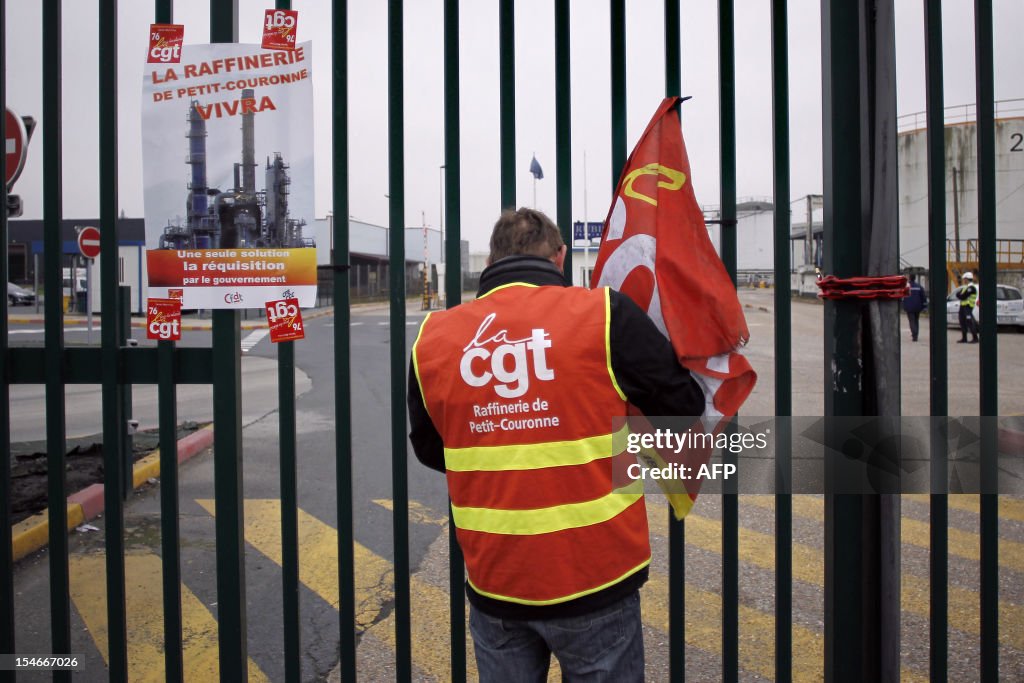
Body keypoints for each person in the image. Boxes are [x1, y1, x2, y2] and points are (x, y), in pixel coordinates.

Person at [407, 208, 705, 682]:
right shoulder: (604, 314)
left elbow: (430, 448)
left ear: (491, 261)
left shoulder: (433, 339)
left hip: (495, 580)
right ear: (560, 256)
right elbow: (685, 406)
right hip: (596, 576)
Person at [902, 273, 928, 342]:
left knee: (912, 321)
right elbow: (923, 297)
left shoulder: (906, 287)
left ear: (909, 278)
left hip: (909, 307)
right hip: (917, 307)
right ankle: (916, 334)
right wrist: (924, 306)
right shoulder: (919, 286)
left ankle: (914, 335)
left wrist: (904, 306)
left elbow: (903, 297)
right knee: (916, 321)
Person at [956, 271, 979, 344]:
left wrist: (961, 295)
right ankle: (964, 338)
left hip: (968, 307)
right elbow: (958, 294)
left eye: (964, 279)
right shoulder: (966, 287)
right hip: (963, 307)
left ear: (967, 279)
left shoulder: (971, 288)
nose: (963, 280)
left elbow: (962, 296)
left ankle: (975, 338)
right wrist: (961, 295)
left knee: (970, 322)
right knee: (962, 321)